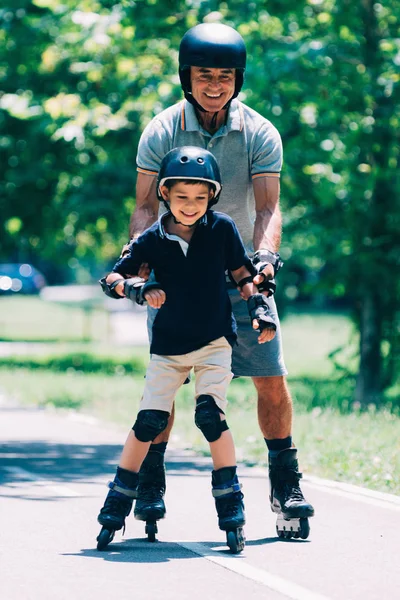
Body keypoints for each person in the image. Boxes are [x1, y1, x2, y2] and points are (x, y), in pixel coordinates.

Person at [127, 22, 315, 539]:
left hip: (238, 271)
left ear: (238, 79)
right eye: (204, 74)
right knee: (166, 383)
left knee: (269, 376)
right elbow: (145, 207)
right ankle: (150, 476)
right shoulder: (162, 130)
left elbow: (268, 205)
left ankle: (285, 482)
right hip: (179, 274)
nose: (215, 84)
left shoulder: (259, 132)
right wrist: (138, 263)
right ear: (187, 77)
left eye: (225, 75)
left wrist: (265, 258)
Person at [97, 146, 275, 552]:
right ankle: (117, 500)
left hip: (214, 341)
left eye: (199, 197)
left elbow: (243, 274)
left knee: (211, 416)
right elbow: (111, 278)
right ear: (165, 195)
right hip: (169, 347)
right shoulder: (151, 239)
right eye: (181, 197)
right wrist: (139, 288)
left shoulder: (223, 228)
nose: (190, 205)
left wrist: (260, 309)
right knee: (148, 422)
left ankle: (230, 502)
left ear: (211, 196)